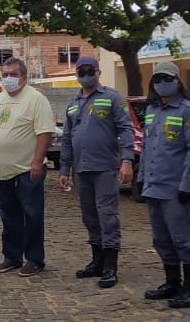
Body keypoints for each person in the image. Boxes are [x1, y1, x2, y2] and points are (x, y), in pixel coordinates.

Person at [57, 57, 134, 289]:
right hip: (81, 170)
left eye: (89, 70)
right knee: (89, 217)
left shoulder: (113, 98)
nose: (85, 74)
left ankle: (110, 266)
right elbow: (67, 138)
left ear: (98, 72)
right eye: (81, 71)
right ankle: (97, 261)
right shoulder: (73, 104)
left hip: (105, 168)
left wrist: (127, 160)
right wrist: (64, 168)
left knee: (107, 216)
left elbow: (125, 130)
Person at [0, 58, 56, 276]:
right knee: (8, 216)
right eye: (4, 75)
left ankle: (34, 259)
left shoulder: (36, 99)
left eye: (13, 74)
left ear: (24, 77)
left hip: (27, 170)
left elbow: (44, 132)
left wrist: (37, 161)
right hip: (1, 170)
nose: (8, 79)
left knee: (32, 216)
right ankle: (11, 257)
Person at [138, 62, 190, 308]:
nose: (161, 83)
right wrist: (142, 178)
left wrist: (187, 185)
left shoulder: (189, 111)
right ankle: (172, 283)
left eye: (167, 78)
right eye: (157, 79)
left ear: (178, 81)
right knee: (161, 239)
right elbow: (147, 148)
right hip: (154, 186)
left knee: (183, 239)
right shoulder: (152, 110)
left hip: (176, 190)